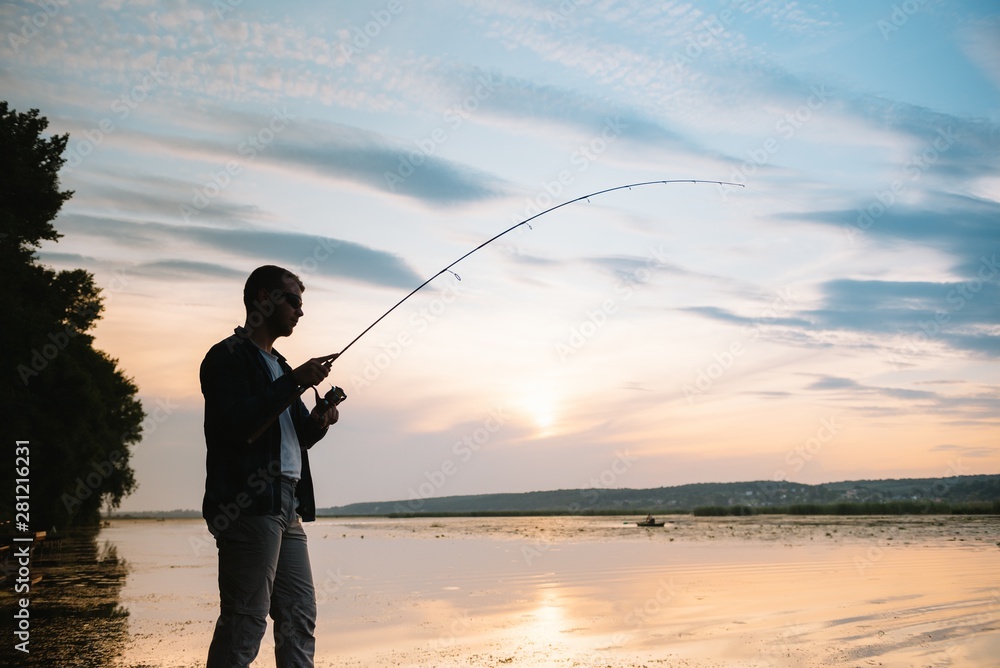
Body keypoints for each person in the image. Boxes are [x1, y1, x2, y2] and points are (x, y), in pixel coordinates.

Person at [200, 265, 340, 668]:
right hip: (248, 505)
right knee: (244, 622)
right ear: (265, 299)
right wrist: (293, 382)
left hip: (288, 506)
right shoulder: (226, 357)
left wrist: (319, 420)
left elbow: (295, 436)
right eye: (294, 300)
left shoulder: (279, 364)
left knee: (299, 617)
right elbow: (239, 424)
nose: (300, 311)